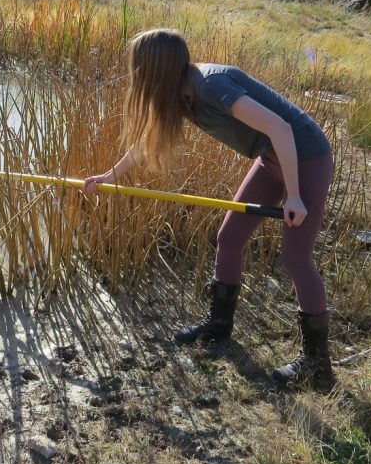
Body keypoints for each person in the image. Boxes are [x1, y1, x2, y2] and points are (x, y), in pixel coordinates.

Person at [82, 29, 336, 388]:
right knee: (229, 237)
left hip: (305, 157)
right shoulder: (180, 95)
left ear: (156, 70)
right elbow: (146, 143)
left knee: (296, 258)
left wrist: (293, 194)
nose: (134, 77)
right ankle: (218, 327)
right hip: (271, 158)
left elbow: (281, 128)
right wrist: (109, 176)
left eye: (138, 69)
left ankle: (318, 365)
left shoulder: (211, 86)